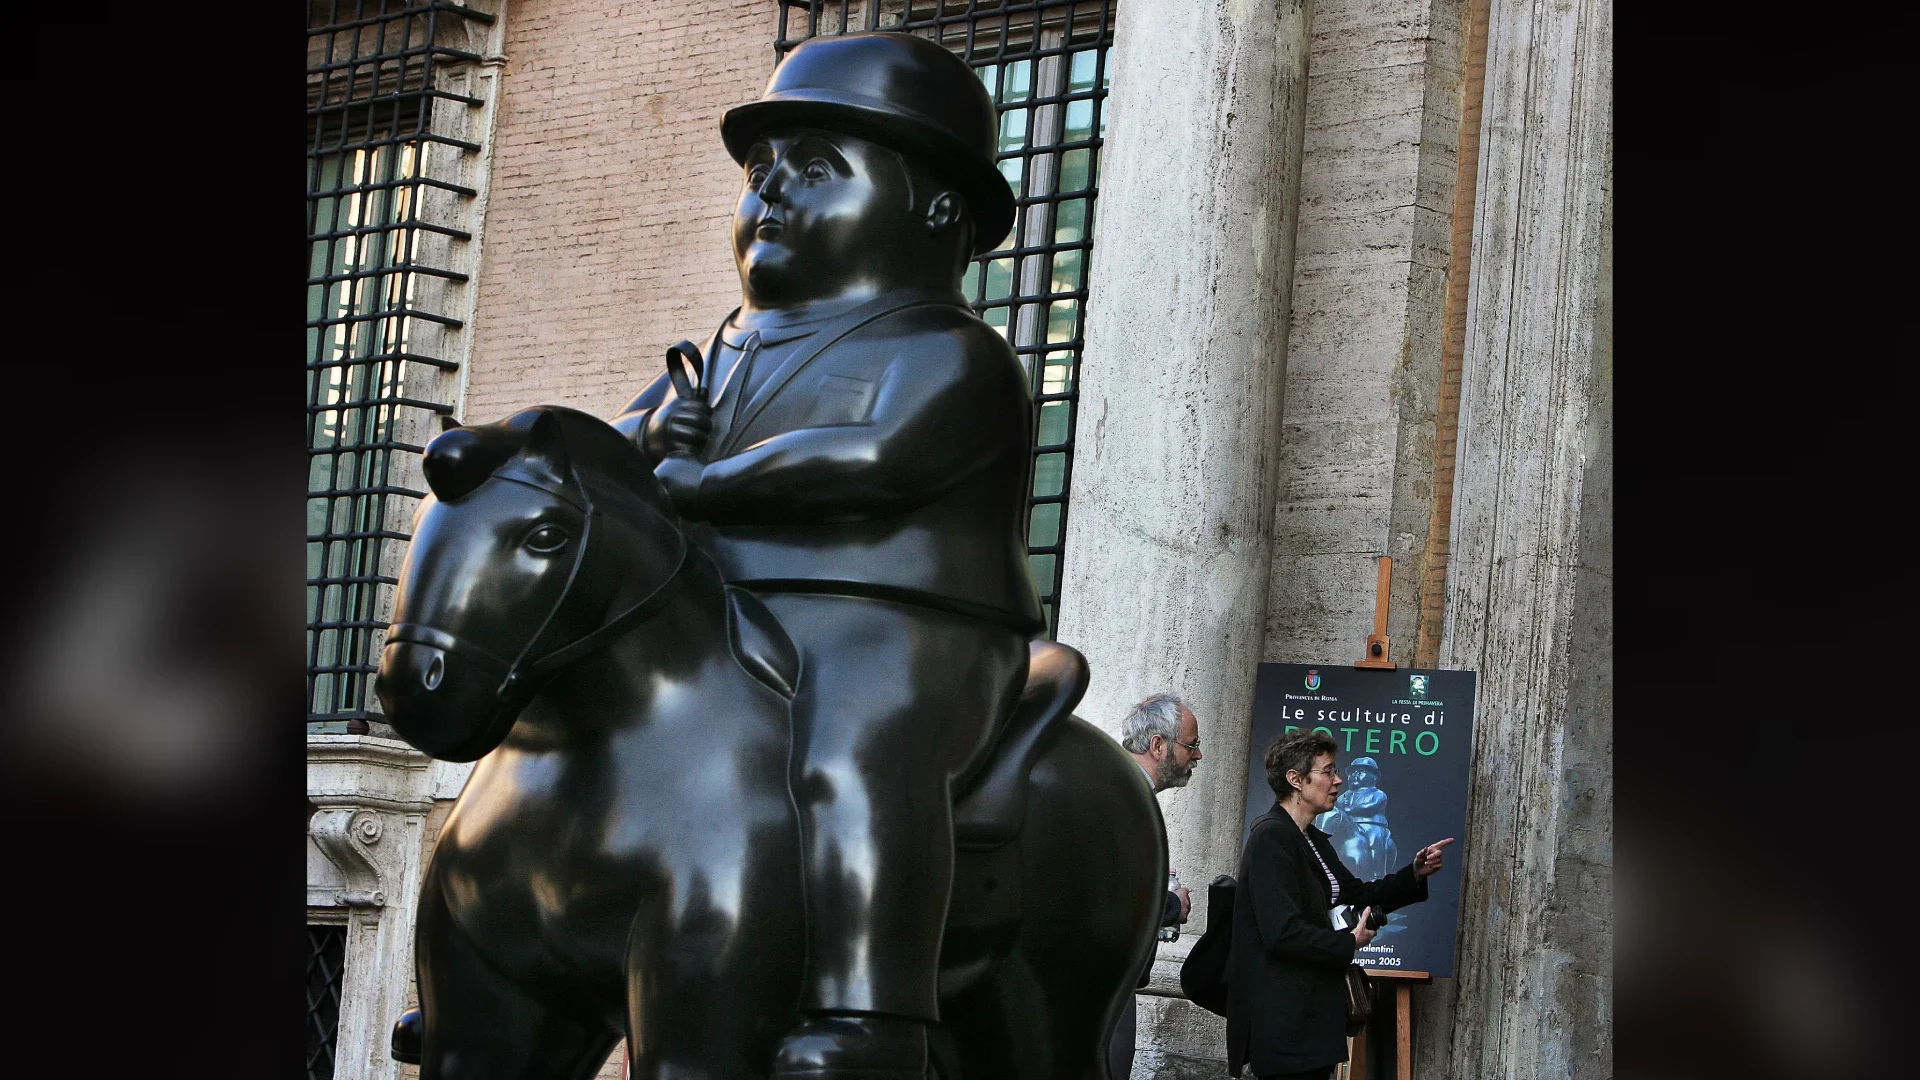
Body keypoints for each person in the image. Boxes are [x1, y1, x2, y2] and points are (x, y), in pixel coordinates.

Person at [608, 32, 1040, 1080]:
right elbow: (620, 463)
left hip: (898, 630)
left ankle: (871, 1012)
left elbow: (875, 458)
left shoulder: (955, 354)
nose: (772, 196)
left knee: (853, 756)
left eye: (816, 169)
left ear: (939, 209)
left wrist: (702, 483)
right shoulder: (716, 354)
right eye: (761, 174)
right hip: (725, 618)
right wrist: (642, 447)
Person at [1227, 728, 1455, 1080]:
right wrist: (1349, 942)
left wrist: (1414, 873)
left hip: (1314, 1018)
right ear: (1296, 780)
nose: (1339, 780)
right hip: (1286, 1022)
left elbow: (1358, 895)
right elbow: (1281, 933)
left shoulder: (1312, 838)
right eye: (1329, 771)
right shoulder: (1271, 838)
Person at [1109, 692, 1203, 1080]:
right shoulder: (1120, 794)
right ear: (1158, 745)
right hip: (1103, 988)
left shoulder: (1124, 790)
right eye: (1192, 745)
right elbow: (1107, 891)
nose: (1197, 756)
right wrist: (1169, 905)